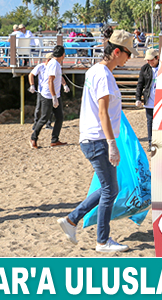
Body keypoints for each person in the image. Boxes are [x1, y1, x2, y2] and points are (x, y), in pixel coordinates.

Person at [56, 30, 137, 253]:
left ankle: (72, 220)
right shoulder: (103, 74)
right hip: (98, 139)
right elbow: (103, 112)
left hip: (93, 138)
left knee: (108, 187)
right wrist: (112, 143)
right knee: (111, 190)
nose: (128, 59)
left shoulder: (95, 70)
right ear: (117, 51)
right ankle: (102, 240)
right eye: (127, 54)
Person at [30, 45, 69, 149]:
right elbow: (50, 80)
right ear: (63, 55)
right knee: (44, 118)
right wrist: (54, 97)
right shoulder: (54, 64)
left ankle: (54, 139)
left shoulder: (56, 64)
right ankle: (33, 138)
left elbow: (58, 78)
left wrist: (64, 85)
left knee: (59, 117)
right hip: (48, 95)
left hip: (55, 94)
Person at [135, 48, 160, 151]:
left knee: (160, 122)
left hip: (161, 100)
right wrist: (138, 98)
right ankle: (151, 142)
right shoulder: (144, 68)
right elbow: (140, 84)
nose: (149, 62)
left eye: (151, 60)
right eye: (147, 60)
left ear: (157, 58)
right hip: (149, 100)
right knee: (150, 121)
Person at [28, 53, 55, 130]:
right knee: (38, 108)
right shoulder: (41, 66)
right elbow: (31, 75)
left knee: (50, 108)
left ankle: (48, 123)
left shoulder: (53, 67)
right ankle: (36, 123)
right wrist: (32, 85)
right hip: (41, 90)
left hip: (50, 90)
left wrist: (64, 84)